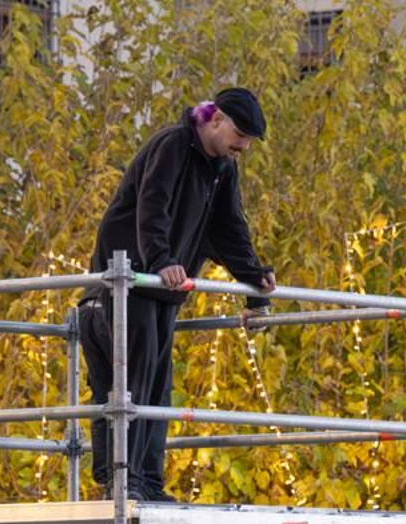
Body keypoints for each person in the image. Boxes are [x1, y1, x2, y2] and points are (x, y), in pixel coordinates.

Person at [80, 88, 277, 501]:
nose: (242, 147)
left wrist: (255, 280)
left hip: (159, 293)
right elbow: (152, 206)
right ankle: (121, 481)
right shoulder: (173, 145)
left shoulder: (222, 168)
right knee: (130, 382)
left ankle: (147, 481)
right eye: (239, 135)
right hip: (127, 282)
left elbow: (228, 229)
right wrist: (161, 260)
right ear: (216, 119)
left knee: (156, 388)